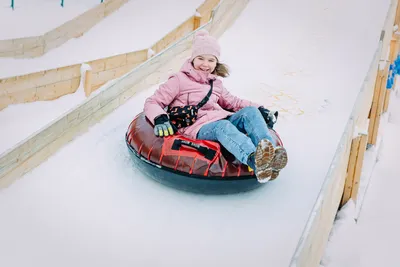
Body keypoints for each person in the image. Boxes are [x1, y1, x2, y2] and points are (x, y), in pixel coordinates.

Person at [143, 29, 287, 183]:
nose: (205, 64)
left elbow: (234, 102)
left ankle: (269, 154)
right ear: (192, 59)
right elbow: (153, 102)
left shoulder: (215, 83)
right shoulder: (178, 80)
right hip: (196, 127)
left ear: (216, 62)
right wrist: (159, 118)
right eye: (200, 58)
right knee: (222, 126)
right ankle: (254, 161)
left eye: (211, 60)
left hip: (219, 118)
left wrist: (261, 109)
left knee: (250, 112)